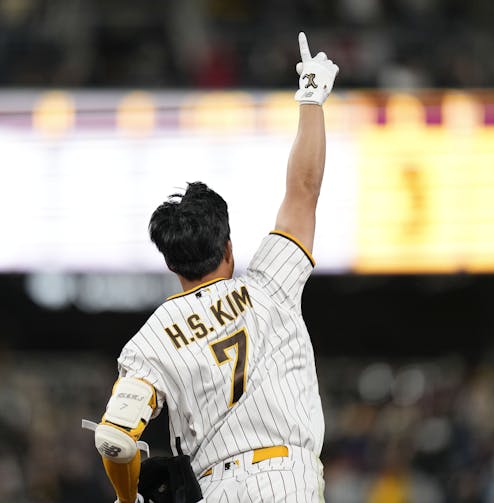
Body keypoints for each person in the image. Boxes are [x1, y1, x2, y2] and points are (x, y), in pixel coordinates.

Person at [88, 32, 339, 502]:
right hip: (290, 481)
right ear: (228, 247)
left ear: (171, 263)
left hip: (218, 487)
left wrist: (126, 500)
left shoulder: (155, 335)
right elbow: (303, 189)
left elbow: (116, 439)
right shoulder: (270, 284)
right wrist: (311, 98)